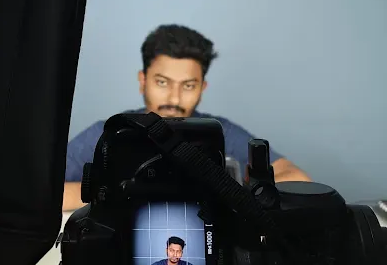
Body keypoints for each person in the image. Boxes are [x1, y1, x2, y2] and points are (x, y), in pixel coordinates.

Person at [63, 24, 311, 211]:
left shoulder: (219, 132)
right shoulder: (111, 133)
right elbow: (47, 192)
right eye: (162, 83)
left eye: (188, 85)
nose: (174, 98)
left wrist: (229, 195)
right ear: (143, 81)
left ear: (202, 87)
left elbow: (298, 179)